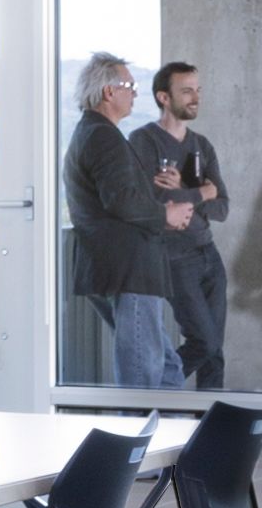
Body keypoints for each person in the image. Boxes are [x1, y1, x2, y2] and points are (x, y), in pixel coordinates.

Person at [65, 52, 194, 387]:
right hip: (128, 270)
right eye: (130, 86)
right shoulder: (102, 136)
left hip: (118, 269)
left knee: (167, 370)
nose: (135, 93)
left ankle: (176, 439)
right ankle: (144, 439)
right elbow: (120, 200)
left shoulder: (91, 133)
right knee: (143, 378)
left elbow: (116, 194)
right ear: (109, 92)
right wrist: (167, 214)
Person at [149, 61, 230, 390]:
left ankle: (212, 437)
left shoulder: (202, 145)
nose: (195, 97)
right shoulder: (145, 142)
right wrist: (200, 192)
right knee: (204, 343)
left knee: (215, 354)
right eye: (186, 91)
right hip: (175, 259)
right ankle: (156, 393)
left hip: (209, 255)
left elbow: (222, 207)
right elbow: (156, 204)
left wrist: (183, 189)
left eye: (198, 90)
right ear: (164, 97)